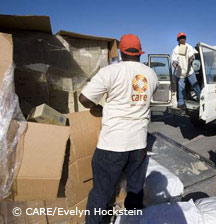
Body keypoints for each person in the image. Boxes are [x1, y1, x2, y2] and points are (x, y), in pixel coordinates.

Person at [79, 34, 159, 224]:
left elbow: (84, 99)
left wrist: (98, 108)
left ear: (122, 52)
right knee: (134, 192)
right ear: (139, 53)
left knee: (100, 192)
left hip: (112, 145)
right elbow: (144, 98)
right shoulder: (151, 74)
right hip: (139, 145)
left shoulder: (110, 72)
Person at [172, 32, 201, 109]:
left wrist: (191, 59)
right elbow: (174, 61)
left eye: (184, 38)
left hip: (189, 71)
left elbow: (192, 56)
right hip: (180, 72)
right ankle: (181, 103)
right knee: (181, 88)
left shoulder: (189, 47)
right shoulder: (175, 49)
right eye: (181, 38)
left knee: (195, 84)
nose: (182, 39)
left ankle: (201, 98)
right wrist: (175, 64)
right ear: (178, 40)